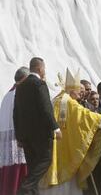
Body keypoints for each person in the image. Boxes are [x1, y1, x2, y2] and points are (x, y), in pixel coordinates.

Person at [39, 68, 101, 195]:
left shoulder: (57, 99)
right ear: (72, 90)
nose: (80, 94)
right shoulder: (69, 102)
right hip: (65, 147)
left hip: (55, 144)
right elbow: (83, 116)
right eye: (78, 91)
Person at [13, 57, 62, 195]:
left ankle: (30, 190)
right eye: (44, 68)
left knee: (33, 166)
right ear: (40, 68)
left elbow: (16, 113)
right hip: (41, 135)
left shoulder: (20, 87)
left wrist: (19, 136)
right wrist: (55, 128)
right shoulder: (39, 84)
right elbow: (46, 108)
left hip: (26, 136)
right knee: (46, 160)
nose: (44, 71)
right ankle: (24, 187)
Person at [0, 67, 29, 195]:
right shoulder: (20, 94)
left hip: (7, 147)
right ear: (25, 79)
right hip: (19, 144)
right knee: (19, 182)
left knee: (8, 181)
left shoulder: (7, 95)